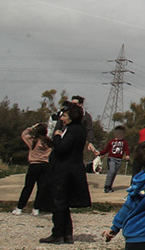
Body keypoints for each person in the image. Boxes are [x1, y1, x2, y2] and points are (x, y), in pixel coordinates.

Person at [36, 102, 92, 244]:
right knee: (64, 203)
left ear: (72, 117)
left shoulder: (74, 130)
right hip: (68, 170)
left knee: (59, 202)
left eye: (65, 116)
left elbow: (61, 148)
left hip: (64, 171)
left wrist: (56, 136)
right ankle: (67, 234)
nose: (62, 119)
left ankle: (58, 234)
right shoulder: (76, 129)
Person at [103, 138, 145, 250]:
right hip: (143, 230)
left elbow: (128, 205)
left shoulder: (141, 178)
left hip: (135, 230)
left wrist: (115, 227)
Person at [14, 123, 51, 216]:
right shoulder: (49, 142)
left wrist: (32, 127)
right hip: (45, 164)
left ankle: (20, 208)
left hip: (34, 165)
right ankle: (36, 208)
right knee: (41, 188)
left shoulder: (34, 141)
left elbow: (24, 134)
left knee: (28, 187)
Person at [100, 126, 130, 193]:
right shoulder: (112, 142)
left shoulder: (124, 142)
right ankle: (107, 186)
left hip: (119, 159)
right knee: (111, 171)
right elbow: (106, 150)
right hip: (111, 159)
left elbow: (126, 149)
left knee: (114, 173)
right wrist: (100, 153)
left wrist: (127, 155)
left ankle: (110, 186)